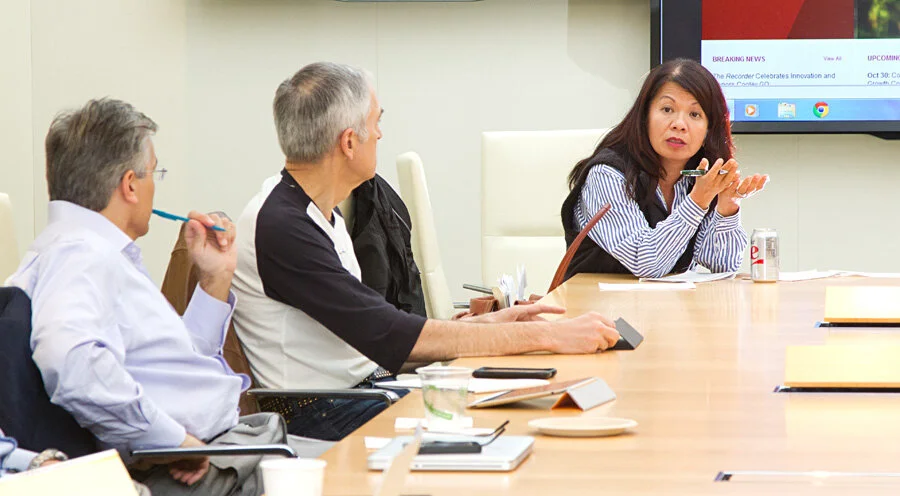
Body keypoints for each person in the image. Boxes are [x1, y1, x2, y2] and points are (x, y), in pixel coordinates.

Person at [231, 62, 621, 442]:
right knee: (513, 423)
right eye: (376, 122)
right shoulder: (283, 226)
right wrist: (545, 335)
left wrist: (491, 324)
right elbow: (388, 334)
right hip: (324, 413)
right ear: (349, 142)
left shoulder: (318, 211)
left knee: (528, 402)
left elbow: (380, 334)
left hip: (362, 393)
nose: (380, 134)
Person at [7, 98, 288, 496]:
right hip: (192, 465)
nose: (156, 185)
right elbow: (68, 359)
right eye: (155, 172)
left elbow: (176, 367)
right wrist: (172, 440)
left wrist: (214, 279)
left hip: (223, 448)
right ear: (130, 185)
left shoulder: (89, 252)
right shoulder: (81, 253)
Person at [561, 58, 768, 280]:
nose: (679, 124)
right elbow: (646, 264)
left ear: (709, 129)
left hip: (666, 301)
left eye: (694, 114)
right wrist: (697, 202)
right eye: (667, 109)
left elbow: (722, 265)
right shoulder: (607, 175)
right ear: (645, 116)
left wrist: (727, 207)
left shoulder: (696, 177)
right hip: (598, 301)